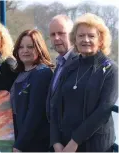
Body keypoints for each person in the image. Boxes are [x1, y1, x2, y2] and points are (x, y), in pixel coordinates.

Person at [50, 13, 117, 152]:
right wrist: (55, 141)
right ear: (74, 38)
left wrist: (74, 141)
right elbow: (55, 105)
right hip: (63, 145)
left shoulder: (111, 69)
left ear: (101, 39)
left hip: (95, 146)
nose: (85, 40)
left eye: (91, 36)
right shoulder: (70, 67)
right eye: (81, 36)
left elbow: (104, 109)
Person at [10, 29, 53, 152]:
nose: (25, 50)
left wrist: (19, 145)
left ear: (39, 48)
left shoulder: (42, 73)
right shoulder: (20, 73)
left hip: (34, 144)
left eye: (30, 47)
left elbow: (35, 113)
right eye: (21, 47)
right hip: (20, 139)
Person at [46, 14, 78, 121]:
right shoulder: (60, 62)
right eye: (52, 34)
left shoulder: (80, 61)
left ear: (72, 35)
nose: (56, 38)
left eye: (61, 33)